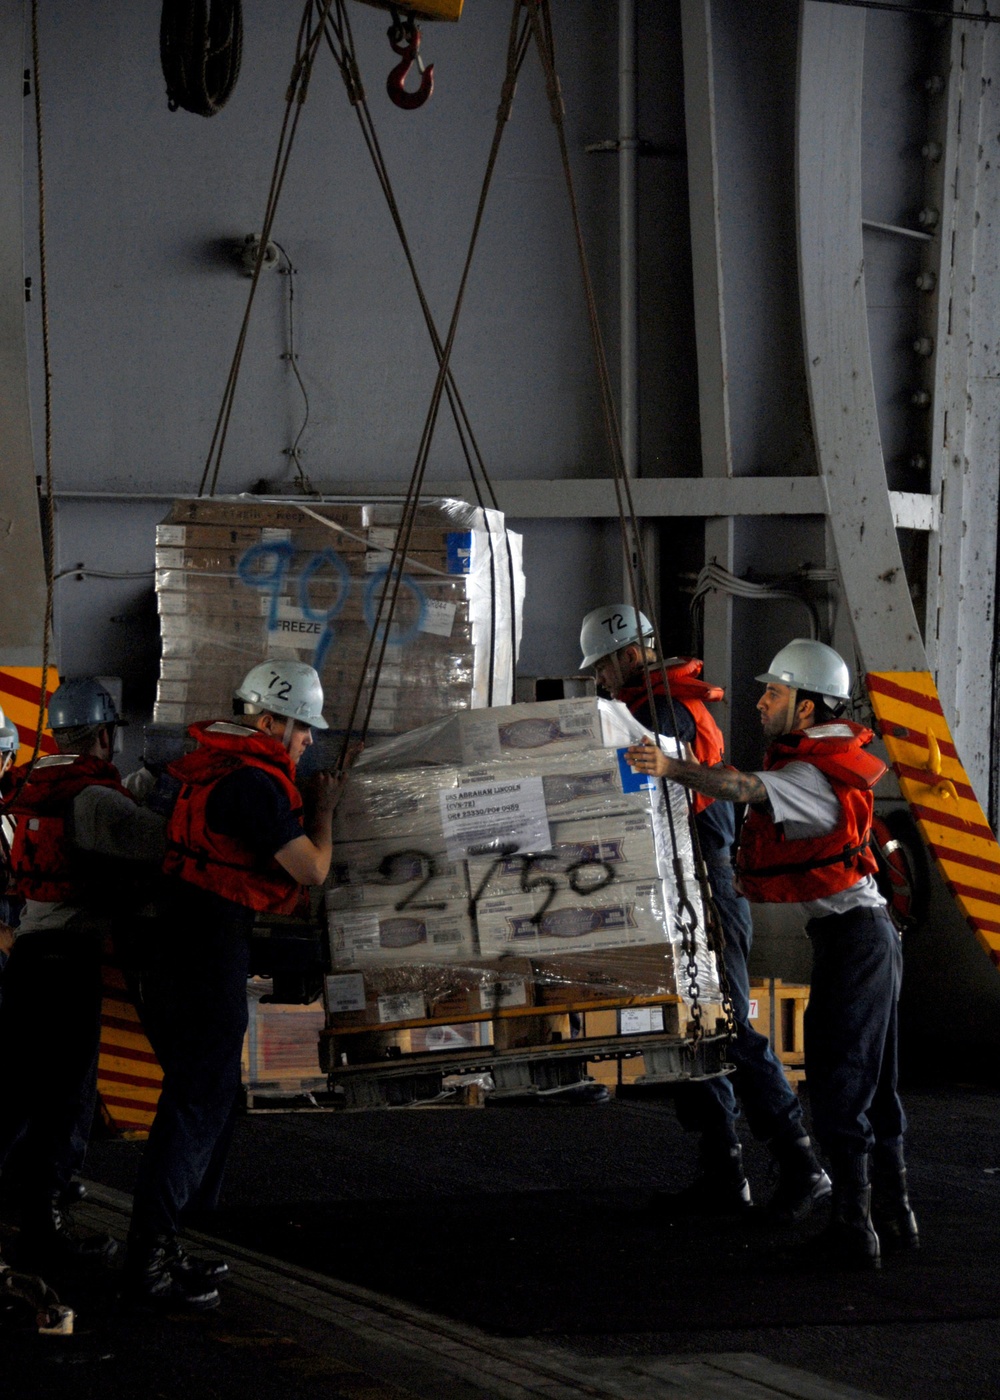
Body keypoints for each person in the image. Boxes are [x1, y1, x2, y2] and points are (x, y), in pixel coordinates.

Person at [626, 637, 916, 1269]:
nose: (761, 703)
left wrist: (670, 768)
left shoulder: (808, 774)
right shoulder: (818, 762)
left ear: (808, 708)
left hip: (858, 942)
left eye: (775, 693)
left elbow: (737, 786)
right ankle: (895, 1218)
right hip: (865, 936)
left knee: (841, 1083)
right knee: (877, 1084)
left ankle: (854, 1230)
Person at [580, 606, 830, 1219]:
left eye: (604, 667)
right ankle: (723, 1171)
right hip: (682, 883)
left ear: (628, 655)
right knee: (692, 1029)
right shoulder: (656, 705)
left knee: (729, 1028)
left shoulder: (662, 709)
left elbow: (676, 797)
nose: (601, 681)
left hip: (705, 887)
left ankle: (802, 1163)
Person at [125, 660, 345, 1310]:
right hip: (201, 951)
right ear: (270, 717)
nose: (307, 741)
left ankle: (164, 1247)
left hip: (179, 943)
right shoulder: (253, 783)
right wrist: (325, 812)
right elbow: (310, 870)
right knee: (197, 1102)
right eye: (302, 728)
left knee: (206, 1101)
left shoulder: (212, 767)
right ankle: (148, 1263)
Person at [0, 678, 166, 1264]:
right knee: (68, 1096)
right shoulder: (93, 799)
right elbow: (158, 842)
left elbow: (113, 811)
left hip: (27, 956)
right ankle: (47, 1227)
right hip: (68, 964)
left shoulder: (40, 787)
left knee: (19, 1092)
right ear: (103, 734)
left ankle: (21, 1209)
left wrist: (149, 777)